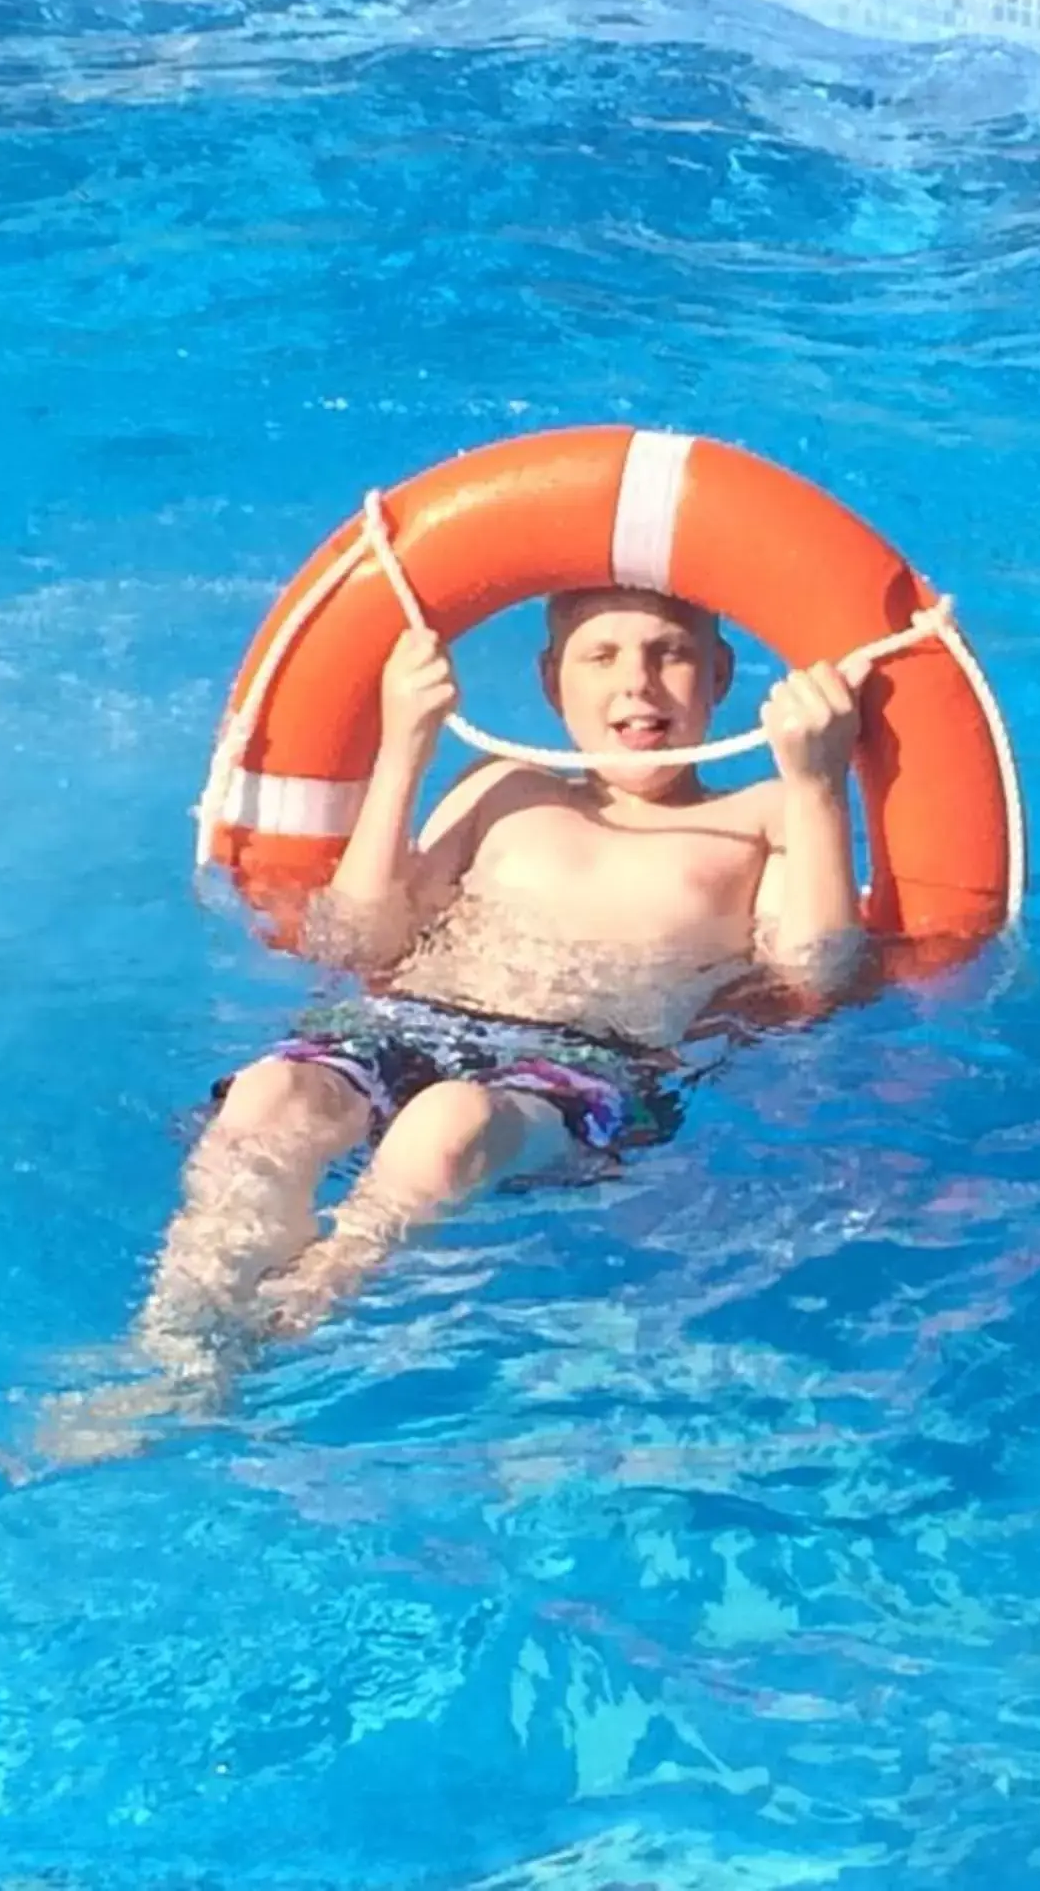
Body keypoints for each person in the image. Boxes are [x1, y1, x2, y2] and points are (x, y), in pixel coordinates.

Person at [134, 586, 871, 1379]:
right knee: (270, 1092)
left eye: (671, 653)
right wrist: (405, 748)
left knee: (450, 1123)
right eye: (602, 655)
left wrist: (819, 785)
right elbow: (354, 938)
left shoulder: (763, 816)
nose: (638, 683)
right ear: (552, 680)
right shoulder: (501, 787)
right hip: (408, 1023)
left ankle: (283, 1325)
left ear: (722, 674)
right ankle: (169, 1342)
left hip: (585, 1068)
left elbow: (815, 976)